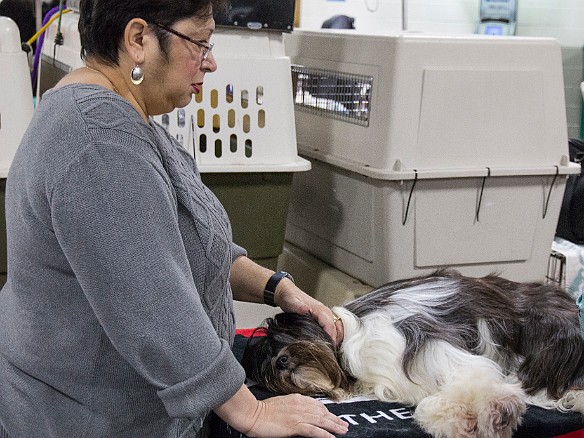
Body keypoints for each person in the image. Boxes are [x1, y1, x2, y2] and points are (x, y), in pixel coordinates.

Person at [0, 0, 348, 437]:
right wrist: (252, 412)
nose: (211, 62)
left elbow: (187, 247)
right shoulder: (99, 146)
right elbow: (155, 308)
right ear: (139, 39)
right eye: (200, 44)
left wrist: (277, 288)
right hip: (87, 421)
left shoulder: (124, 120)